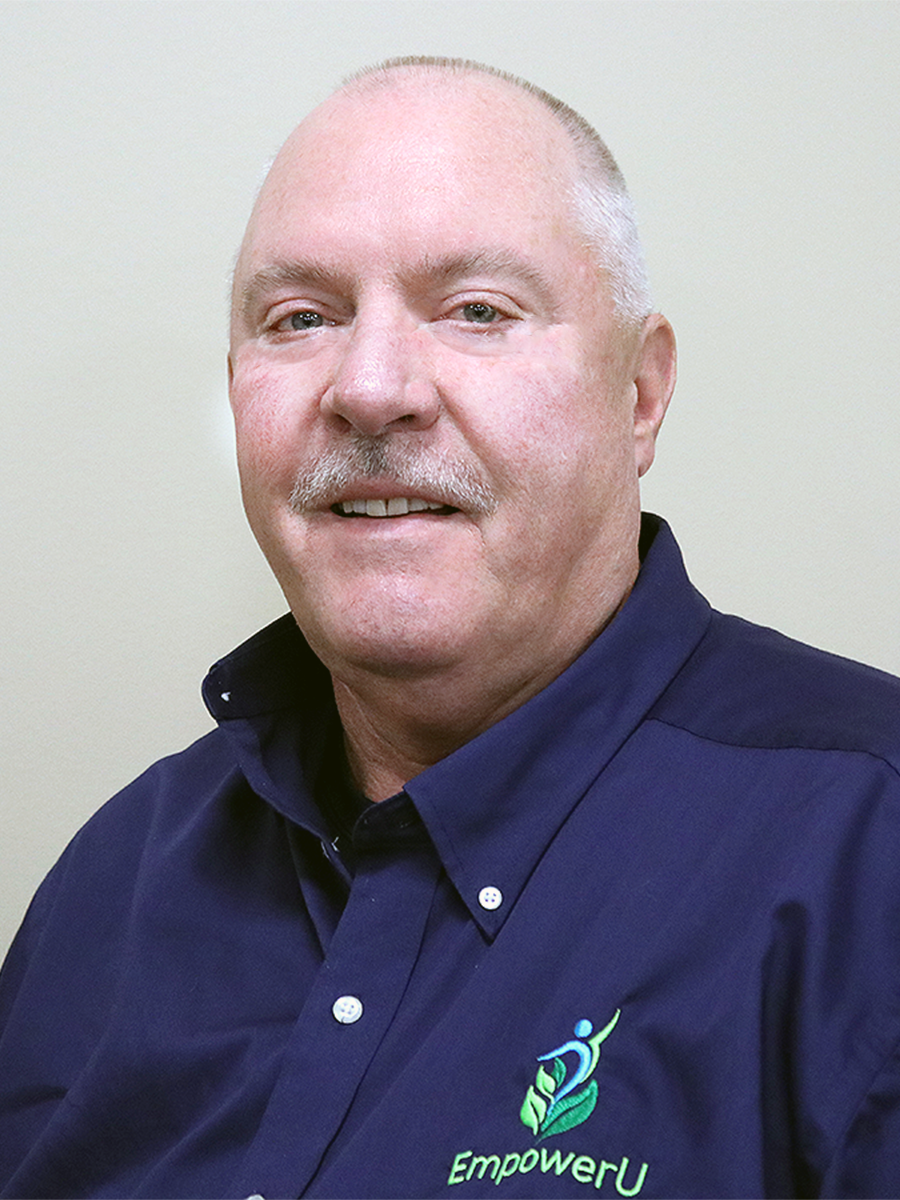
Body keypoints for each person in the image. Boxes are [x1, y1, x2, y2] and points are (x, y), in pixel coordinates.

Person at [1, 56, 898, 1200]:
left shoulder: (868, 852)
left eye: (478, 311)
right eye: (302, 318)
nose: (372, 389)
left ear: (640, 393)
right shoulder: (115, 885)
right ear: (237, 388)